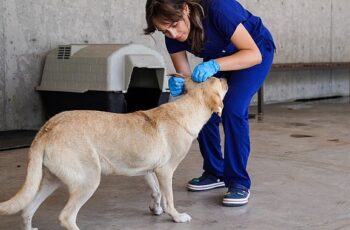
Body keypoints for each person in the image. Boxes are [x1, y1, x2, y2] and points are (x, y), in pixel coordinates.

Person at [144, 0, 275, 207]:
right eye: (164, 31)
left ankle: (238, 181)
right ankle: (215, 172)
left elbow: (253, 54)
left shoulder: (218, 9)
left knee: (233, 109)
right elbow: (186, 77)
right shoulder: (172, 36)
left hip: (254, 51)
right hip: (221, 56)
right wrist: (181, 83)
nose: (173, 34)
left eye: (174, 25)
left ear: (185, 9)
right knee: (198, 103)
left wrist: (213, 65)